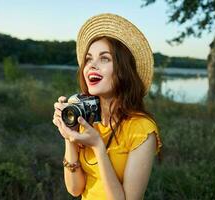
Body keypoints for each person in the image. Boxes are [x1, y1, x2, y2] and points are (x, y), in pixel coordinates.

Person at [53, 13, 162, 200]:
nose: (92, 66)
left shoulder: (141, 130)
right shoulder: (86, 117)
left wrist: (97, 146)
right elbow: (75, 189)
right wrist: (69, 135)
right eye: (88, 59)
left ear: (123, 71)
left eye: (105, 59)